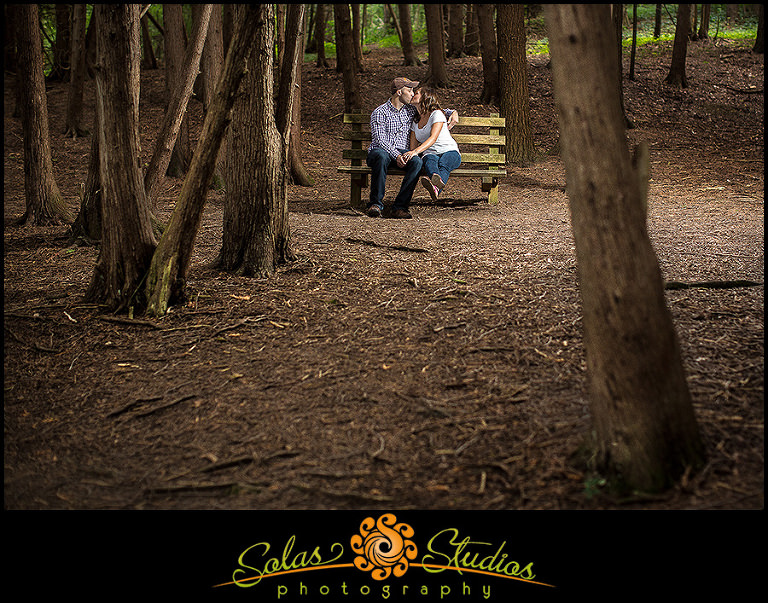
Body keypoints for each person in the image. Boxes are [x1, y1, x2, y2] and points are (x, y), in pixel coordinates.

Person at [366, 78, 458, 219]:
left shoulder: (410, 110)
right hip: (381, 151)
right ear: (398, 92)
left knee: (416, 162)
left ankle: (400, 207)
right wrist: (397, 155)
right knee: (382, 156)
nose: (412, 93)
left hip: (403, 153)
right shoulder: (380, 112)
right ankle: (376, 204)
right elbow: (380, 140)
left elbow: (433, 109)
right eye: (409, 90)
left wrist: (453, 112)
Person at [409, 88, 462, 203]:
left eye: (417, 93)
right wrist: (412, 155)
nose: (413, 94)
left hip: (450, 151)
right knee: (429, 161)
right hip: (430, 152)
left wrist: (415, 152)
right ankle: (435, 185)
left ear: (425, 97)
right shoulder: (415, 120)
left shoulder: (436, 114)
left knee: (444, 163)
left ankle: (436, 187)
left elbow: (433, 138)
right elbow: (413, 144)